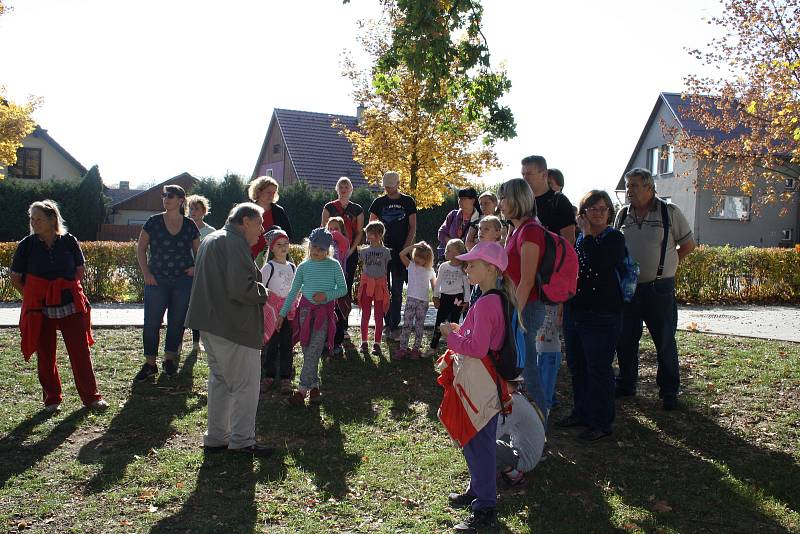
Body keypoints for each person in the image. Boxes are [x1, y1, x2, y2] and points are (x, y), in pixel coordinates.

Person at [438, 241, 520, 532]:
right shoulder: (494, 299)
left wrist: (451, 335)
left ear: (491, 269)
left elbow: (476, 347)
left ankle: (486, 507)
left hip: (482, 383)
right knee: (473, 438)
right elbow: (482, 339)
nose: (468, 268)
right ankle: (478, 490)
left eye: (473, 264)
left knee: (479, 442)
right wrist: (463, 333)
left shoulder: (486, 303)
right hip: (486, 380)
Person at [185, 202, 273, 456]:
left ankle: (216, 437)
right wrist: (265, 293)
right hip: (233, 325)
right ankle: (242, 440)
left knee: (221, 382)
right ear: (245, 221)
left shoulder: (212, 238)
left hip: (211, 323)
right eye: (259, 223)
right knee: (245, 386)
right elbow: (241, 288)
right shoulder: (234, 243)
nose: (262, 229)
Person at [10, 200, 108, 413]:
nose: (34, 223)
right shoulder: (27, 245)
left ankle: (91, 397)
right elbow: (16, 278)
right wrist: (33, 295)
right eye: (32, 219)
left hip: (70, 306)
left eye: (39, 219)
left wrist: (64, 289)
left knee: (80, 352)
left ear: (52, 219)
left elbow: (79, 271)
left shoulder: (69, 241)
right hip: (40, 308)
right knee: (45, 354)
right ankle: (52, 399)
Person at [615, 168, 696, 410]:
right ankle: (627, 383)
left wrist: (667, 266)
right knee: (625, 339)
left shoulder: (668, 212)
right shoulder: (622, 215)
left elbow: (688, 245)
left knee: (664, 340)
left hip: (659, 288)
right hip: (629, 289)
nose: (630, 190)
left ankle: (669, 391)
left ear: (650, 187)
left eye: (635, 185)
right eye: (628, 186)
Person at [557, 191, 625, 441]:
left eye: (603, 209)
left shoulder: (614, 238)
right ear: (582, 213)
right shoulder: (579, 241)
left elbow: (600, 262)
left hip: (603, 315)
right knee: (577, 367)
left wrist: (585, 236)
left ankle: (601, 422)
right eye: (592, 209)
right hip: (577, 312)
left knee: (599, 369)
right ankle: (582, 412)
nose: (598, 213)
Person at [135, 185, 200, 381]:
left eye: (170, 196)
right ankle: (150, 364)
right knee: (152, 323)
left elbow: (201, 252)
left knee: (177, 322)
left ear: (181, 200)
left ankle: (170, 360)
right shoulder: (153, 222)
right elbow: (141, 249)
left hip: (182, 281)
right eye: (164, 195)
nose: (166, 198)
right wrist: (146, 273)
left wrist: (196, 268)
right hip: (156, 280)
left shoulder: (189, 225)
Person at [277, 228, 347, 407]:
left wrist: (326, 295)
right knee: (308, 350)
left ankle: (301, 391)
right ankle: (315, 387)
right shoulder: (303, 267)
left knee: (314, 350)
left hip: (323, 314)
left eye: (322, 249)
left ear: (328, 250)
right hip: (305, 314)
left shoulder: (334, 265)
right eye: (314, 247)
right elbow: (293, 292)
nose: (317, 251)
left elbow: (343, 289)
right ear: (309, 245)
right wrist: (282, 314)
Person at [498, 178, 548, 416]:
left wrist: (512, 315)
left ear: (516, 200)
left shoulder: (531, 230)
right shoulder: (519, 229)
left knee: (528, 372)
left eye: (503, 198)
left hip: (526, 309)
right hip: (520, 306)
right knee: (521, 371)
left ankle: (540, 437)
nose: (500, 204)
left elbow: (527, 279)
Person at [368, 171, 417, 339]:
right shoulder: (378, 202)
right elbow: (371, 226)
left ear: (398, 183)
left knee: (397, 291)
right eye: (386, 186)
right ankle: (385, 323)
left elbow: (412, 227)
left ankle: (394, 325)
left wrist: (406, 247)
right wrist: (376, 246)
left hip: (401, 254)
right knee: (382, 290)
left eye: (391, 185)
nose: (388, 189)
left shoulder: (408, 201)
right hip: (382, 253)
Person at [259, 229, 297, 395]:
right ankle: (268, 375)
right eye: (279, 244)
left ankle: (285, 378)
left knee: (287, 345)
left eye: (285, 244)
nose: (283, 247)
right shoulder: (269, 267)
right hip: (272, 314)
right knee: (271, 345)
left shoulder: (292, 267)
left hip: (288, 313)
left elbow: (296, 288)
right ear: (272, 248)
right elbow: (260, 288)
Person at [495, 376, 546, 487]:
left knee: (480, 445)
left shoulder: (512, 403)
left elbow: (492, 435)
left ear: (504, 385)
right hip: (526, 451)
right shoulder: (518, 396)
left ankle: (515, 476)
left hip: (525, 459)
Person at [321, 176, 364, 295]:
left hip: (350, 251)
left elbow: (360, 232)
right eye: (341, 186)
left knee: (347, 284)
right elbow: (323, 228)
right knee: (329, 283)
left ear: (351, 189)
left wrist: (351, 249)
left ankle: (344, 311)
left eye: (346, 187)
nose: (343, 189)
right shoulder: (329, 207)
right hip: (331, 251)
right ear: (337, 189)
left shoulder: (357, 209)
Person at [395, 242, 436, 360]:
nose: (418, 259)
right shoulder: (411, 265)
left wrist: (436, 297)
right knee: (406, 325)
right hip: (411, 300)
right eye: (417, 255)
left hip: (423, 302)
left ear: (427, 259)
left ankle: (415, 349)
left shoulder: (430, 270)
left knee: (419, 326)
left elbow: (434, 286)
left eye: (422, 257)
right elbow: (401, 254)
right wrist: (414, 246)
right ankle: (403, 348)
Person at [187, 194, 216, 354]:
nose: (193, 211)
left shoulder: (211, 231)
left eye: (197, 208)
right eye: (191, 208)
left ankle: (196, 342)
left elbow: (212, 255)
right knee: (184, 307)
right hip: (184, 273)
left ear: (204, 211)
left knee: (199, 307)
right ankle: (176, 343)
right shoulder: (183, 226)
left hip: (202, 274)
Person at [429, 239, 469, 356]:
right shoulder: (443, 266)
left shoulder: (463, 268)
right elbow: (438, 282)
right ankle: (433, 347)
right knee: (439, 322)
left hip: (458, 299)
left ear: (457, 254)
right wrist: (435, 296)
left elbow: (466, 286)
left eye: (448, 250)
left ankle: (453, 349)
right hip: (444, 298)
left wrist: (466, 301)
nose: (445, 252)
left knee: (454, 324)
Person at [357, 221, 392, 356]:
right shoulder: (364, 251)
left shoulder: (385, 252)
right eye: (368, 233)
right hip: (367, 285)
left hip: (379, 286)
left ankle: (377, 343)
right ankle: (364, 341)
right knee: (365, 314)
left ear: (380, 235)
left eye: (373, 233)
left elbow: (385, 270)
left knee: (378, 315)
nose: (370, 236)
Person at [248, 176, 293, 259]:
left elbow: (288, 235)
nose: (272, 195)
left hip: (272, 258)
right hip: (248, 256)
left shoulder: (279, 211)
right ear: (258, 192)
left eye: (274, 192)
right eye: (269, 192)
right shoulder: (246, 210)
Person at [325, 216, 352, 356]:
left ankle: (337, 342)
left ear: (342, 231)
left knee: (339, 314)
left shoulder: (343, 243)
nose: (332, 231)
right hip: (326, 283)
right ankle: (325, 341)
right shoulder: (325, 244)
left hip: (339, 284)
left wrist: (329, 233)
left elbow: (343, 240)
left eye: (335, 228)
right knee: (326, 313)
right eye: (329, 228)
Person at [468, 215, 504, 307]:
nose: (481, 232)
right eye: (480, 229)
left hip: (493, 285)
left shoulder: (498, 249)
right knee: (474, 306)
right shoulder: (477, 247)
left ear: (497, 232)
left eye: (486, 229)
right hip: (479, 284)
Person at [437, 187, 480, 260]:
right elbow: (441, 234)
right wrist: (454, 245)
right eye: (459, 198)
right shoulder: (453, 215)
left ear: (473, 200)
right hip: (448, 258)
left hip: (467, 260)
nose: (460, 201)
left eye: (463, 198)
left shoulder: (479, 220)